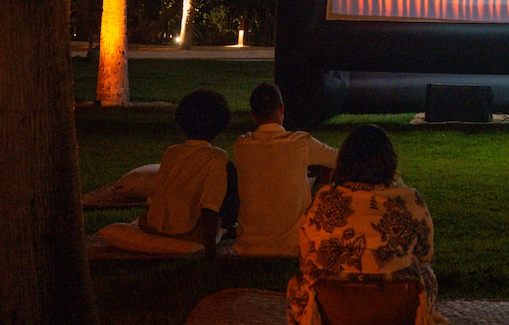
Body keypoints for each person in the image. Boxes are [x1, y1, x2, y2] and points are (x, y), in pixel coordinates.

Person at [281, 124, 448, 325]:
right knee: (426, 274)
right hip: (397, 310)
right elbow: (425, 254)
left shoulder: (324, 199)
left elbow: (305, 256)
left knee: (298, 283)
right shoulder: (409, 199)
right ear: (389, 160)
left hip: (334, 311)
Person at [95, 89, 238, 255]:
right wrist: (210, 250)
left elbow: (159, 191)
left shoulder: (171, 152)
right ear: (220, 124)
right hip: (188, 231)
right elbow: (210, 207)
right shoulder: (217, 157)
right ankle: (229, 225)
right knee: (231, 174)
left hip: (153, 225)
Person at [228, 82, 338, 257]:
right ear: (281, 109)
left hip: (248, 246)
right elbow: (340, 159)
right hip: (293, 246)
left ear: (253, 115)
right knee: (328, 172)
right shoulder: (301, 142)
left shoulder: (242, 145)